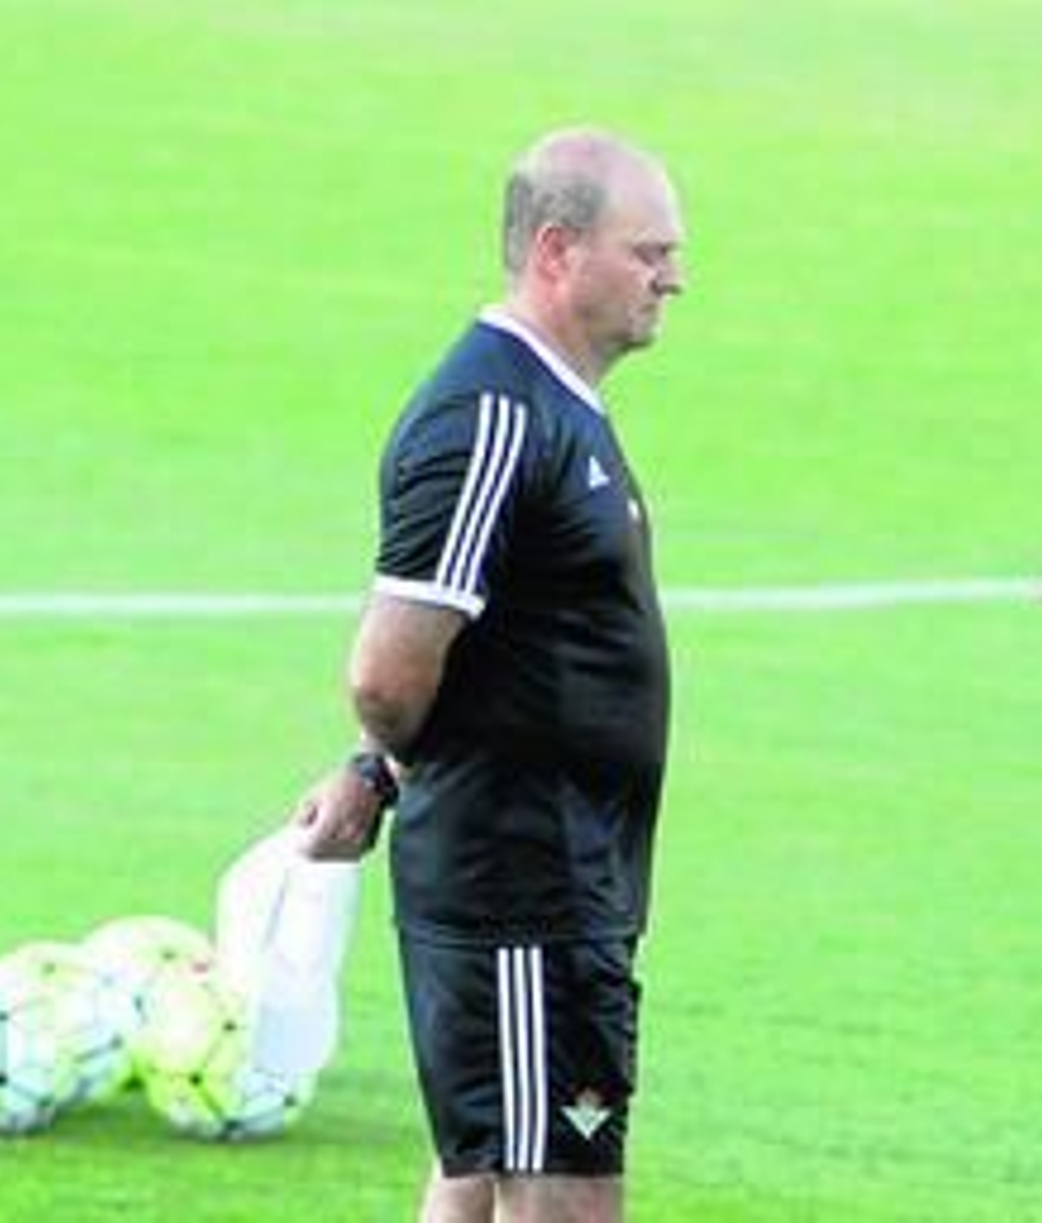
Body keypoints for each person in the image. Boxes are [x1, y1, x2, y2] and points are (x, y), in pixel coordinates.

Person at [291, 127, 685, 1223]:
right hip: (523, 882)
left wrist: (377, 770)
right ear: (557, 250)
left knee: (476, 1173)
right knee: (560, 1190)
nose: (675, 276)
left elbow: (478, 650)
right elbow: (386, 671)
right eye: (649, 251)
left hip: (556, 879)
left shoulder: (550, 404)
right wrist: (385, 758)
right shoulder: (491, 415)